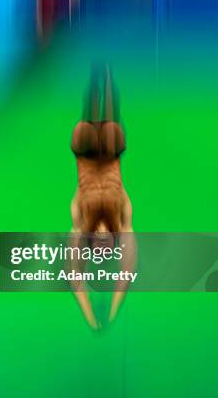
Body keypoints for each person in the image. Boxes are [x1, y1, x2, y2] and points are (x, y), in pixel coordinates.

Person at [68, 64, 136, 330]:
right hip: (110, 155)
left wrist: (90, 317)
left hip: (85, 154)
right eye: (108, 248)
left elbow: (74, 278)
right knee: (110, 133)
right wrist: (112, 310)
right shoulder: (124, 219)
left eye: (98, 248)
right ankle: (107, 79)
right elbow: (127, 273)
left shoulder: (79, 221)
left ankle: (92, 89)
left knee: (86, 129)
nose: (103, 242)